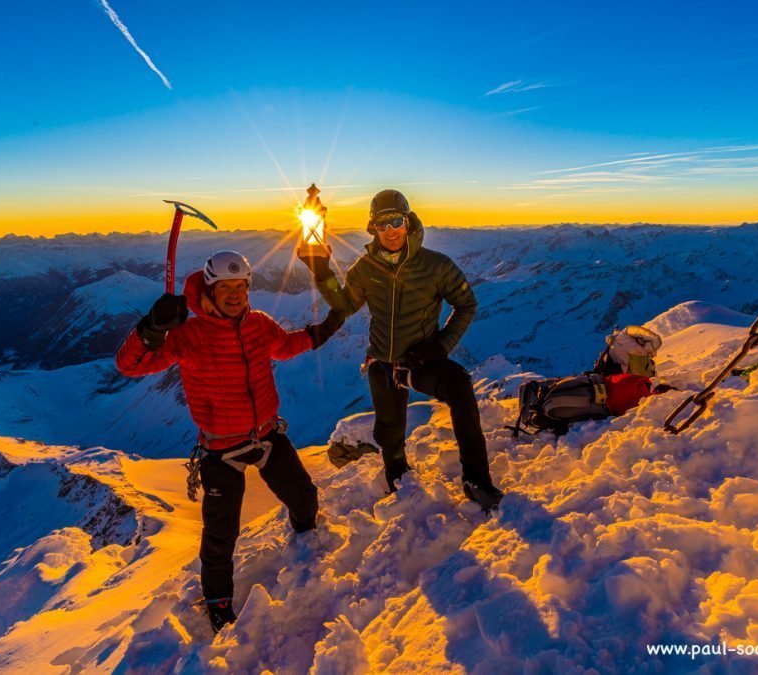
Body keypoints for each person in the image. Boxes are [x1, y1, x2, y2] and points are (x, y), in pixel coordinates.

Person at [115, 250, 341, 632]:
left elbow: (284, 347)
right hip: (221, 449)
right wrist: (151, 328)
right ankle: (218, 603)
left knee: (304, 496)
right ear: (209, 289)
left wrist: (323, 330)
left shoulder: (258, 323)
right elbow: (130, 365)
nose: (235, 294)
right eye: (226, 288)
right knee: (221, 535)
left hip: (267, 434)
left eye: (241, 287)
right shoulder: (187, 334)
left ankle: (306, 539)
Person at [298, 190, 503, 511]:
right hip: (382, 360)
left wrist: (439, 347)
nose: (390, 230)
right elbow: (345, 305)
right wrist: (321, 272)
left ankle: (476, 479)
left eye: (397, 221)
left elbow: (467, 304)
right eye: (383, 224)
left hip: (422, 360)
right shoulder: (365, 268)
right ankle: (396, 473)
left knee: (460, 387)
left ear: (409, 223)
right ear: (373, 228)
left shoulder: (436, 265)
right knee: (389, 428)